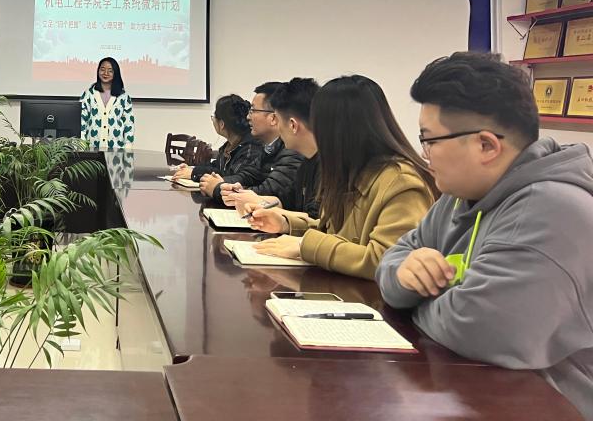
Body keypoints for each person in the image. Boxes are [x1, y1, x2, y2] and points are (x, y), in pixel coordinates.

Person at [376, 53, 593, 419]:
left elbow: (479, 329)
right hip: (479, 390)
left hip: (553, 405)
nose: (424, 155)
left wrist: (415, 297)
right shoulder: (460, 195)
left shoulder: (550, 210)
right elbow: (394, 259)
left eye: (429, 140)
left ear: (487, 146)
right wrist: (403, 276)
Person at [249, 75, 435, 280]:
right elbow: (333, 234)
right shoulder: (352, 171)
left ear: (338, 131)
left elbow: (387, 261)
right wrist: (286, 224)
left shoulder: (401, 182)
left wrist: (304, 245)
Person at [221, 81, 313, 215]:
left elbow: (315, 219)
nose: (248, 117)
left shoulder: (296, 152)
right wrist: (234, 190)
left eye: (253, 111)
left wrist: (222, 190)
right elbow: (284, 200)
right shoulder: (267, 147)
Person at [171, 95, 262, 199]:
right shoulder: (229, 145)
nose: (213, 120)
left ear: (222, 124)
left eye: (214, 117)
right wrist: (192, 169)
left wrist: (194, 173)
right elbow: (216, 167)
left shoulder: (250, 147)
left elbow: (231, 176)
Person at [79, 57, 135, 150]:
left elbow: (129, 124)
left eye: (110, 71)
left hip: (117, 151)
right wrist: (81, 145)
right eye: (102, 69)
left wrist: (128, 148)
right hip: (92, 149)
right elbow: (81, 120)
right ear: (98, 71)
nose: (105, 73)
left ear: (115, 73)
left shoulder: (123, 96)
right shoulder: (89, 94)